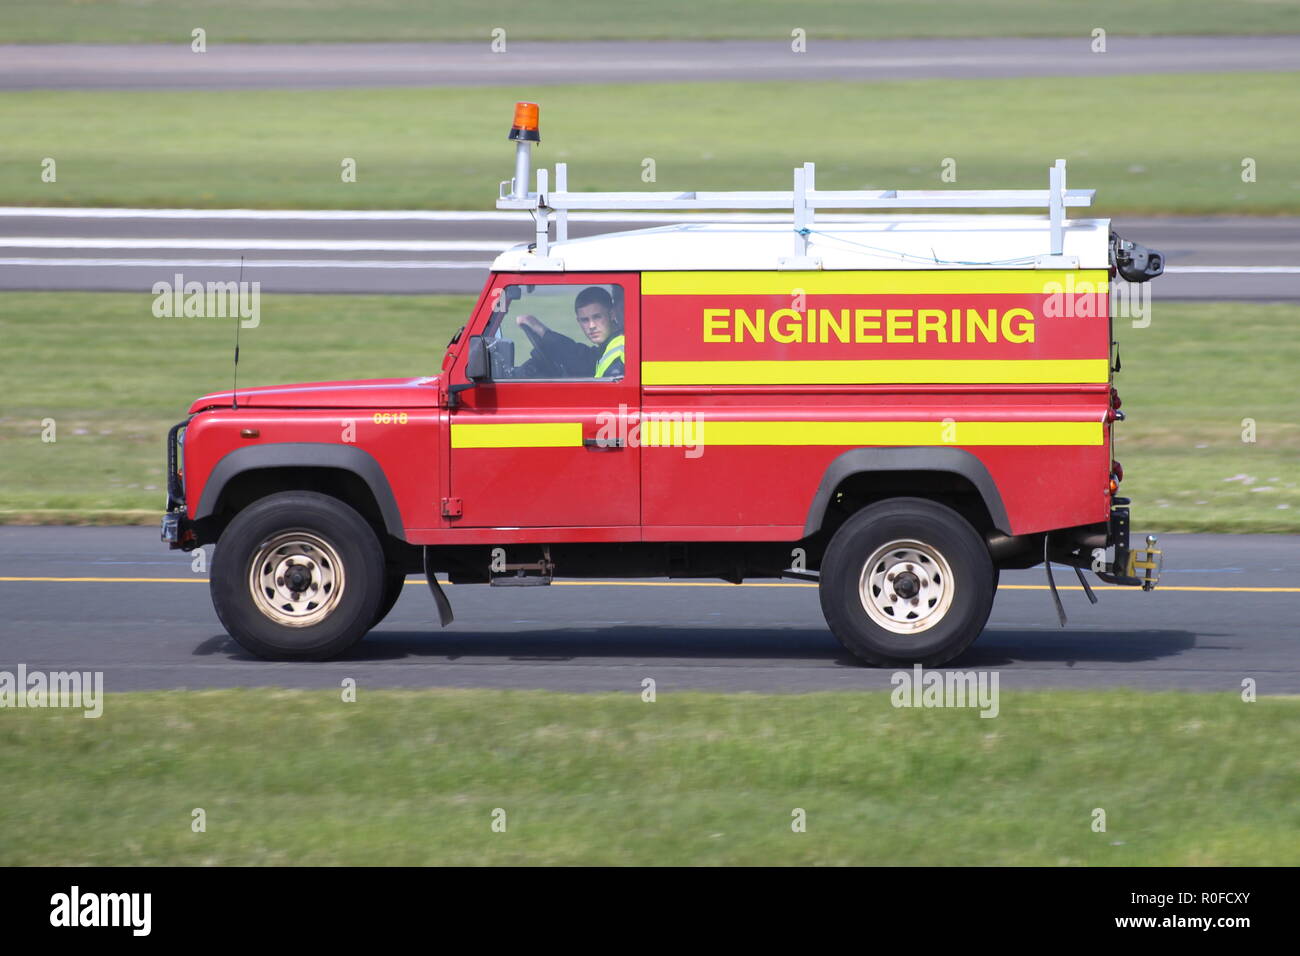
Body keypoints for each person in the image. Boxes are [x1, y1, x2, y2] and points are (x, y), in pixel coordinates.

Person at [514, 286, 624, 379]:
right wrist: (543, 332)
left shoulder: (622, 349)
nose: (591, 326)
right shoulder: (609, 347)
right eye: (585, 320)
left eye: (597, 317)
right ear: (578, 321)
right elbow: (583, 358)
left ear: (612, 314)